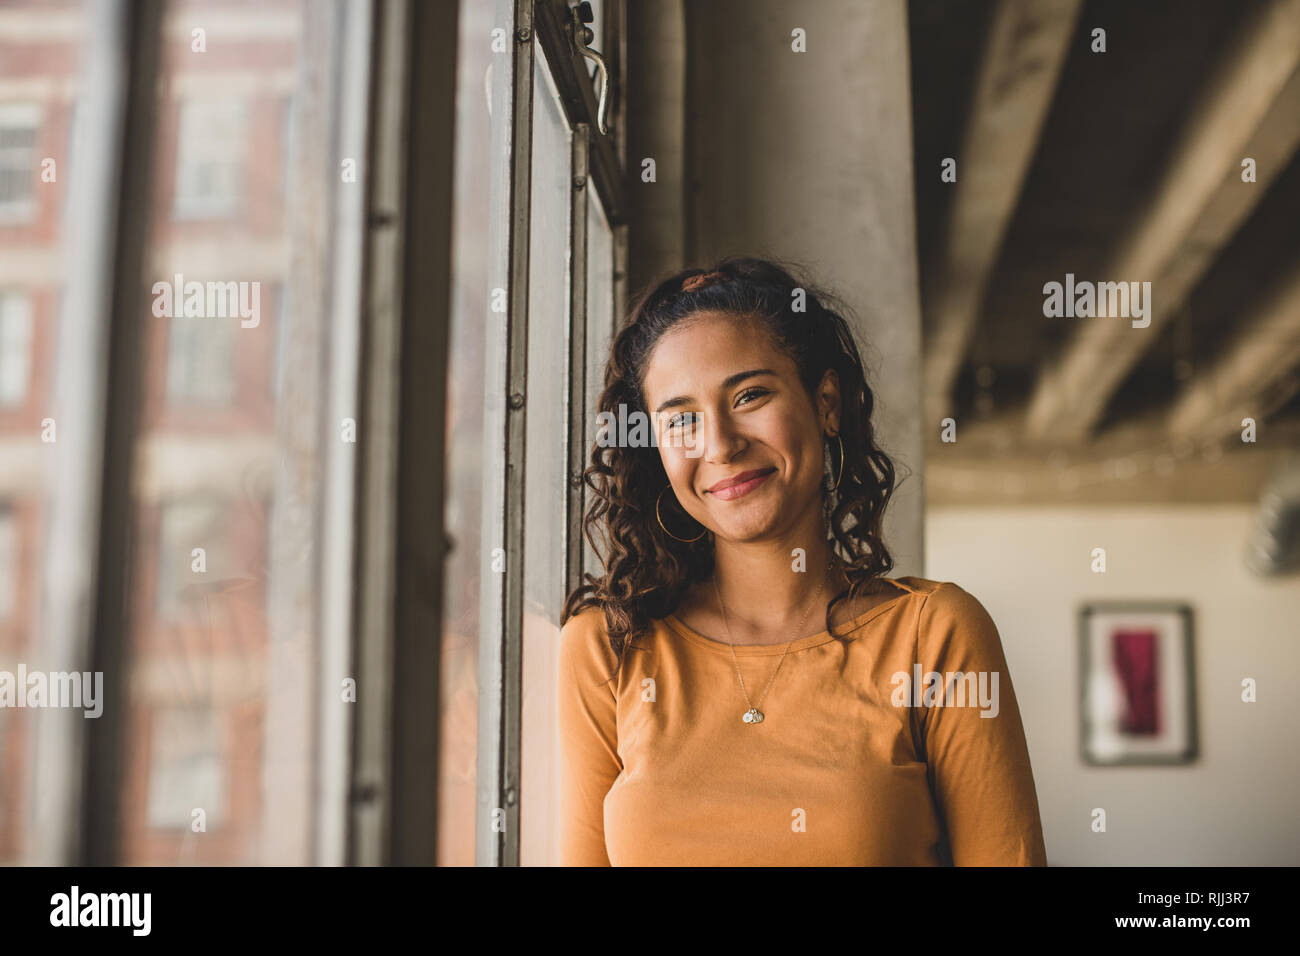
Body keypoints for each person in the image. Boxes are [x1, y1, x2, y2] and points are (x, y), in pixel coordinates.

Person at [558, 256, 1047, 866]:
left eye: (750, 395)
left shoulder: (934, 634)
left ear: (827, 404)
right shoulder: (609, 649)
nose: (721, 444)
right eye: (681, 418)